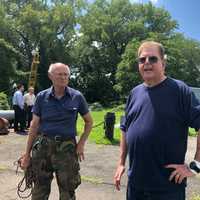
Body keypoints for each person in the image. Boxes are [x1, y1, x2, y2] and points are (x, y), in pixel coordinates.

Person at [114, 41, 200, 200]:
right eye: (142, 60)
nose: (146, 63)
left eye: (152, 59)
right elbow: (125, 128)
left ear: (163, 63)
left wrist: (195, 166)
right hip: (135, 187)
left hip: (167, 188)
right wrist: (121, 163)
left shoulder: (180, 90)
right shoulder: (134, 93)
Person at [21, 63, 93, 200]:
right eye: (59, 74)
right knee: (39, 190)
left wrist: (81, 143)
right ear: (50, 76)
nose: (63, 77)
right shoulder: (42, 97)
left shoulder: (77, 97)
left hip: (67, 149)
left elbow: (89, 122)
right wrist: (26, 154)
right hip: (43, 147)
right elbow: (34, 125)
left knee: (68, 190)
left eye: (66, 74)